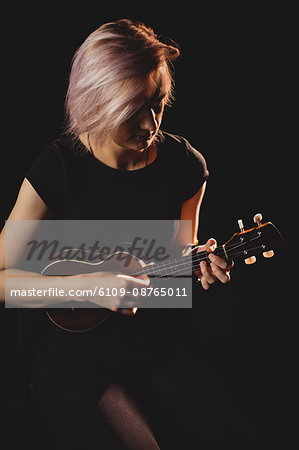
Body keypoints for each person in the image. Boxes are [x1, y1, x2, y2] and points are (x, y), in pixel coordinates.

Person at [1, 19, 270, 449]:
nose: (151, 124)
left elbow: (173, 271)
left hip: (156, 348)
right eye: (133, 110)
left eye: (159, 103)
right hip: (76, 362)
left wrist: (198, 267)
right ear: (95, 104)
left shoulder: (187, 168)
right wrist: (88, 286)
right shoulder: (57, 170)